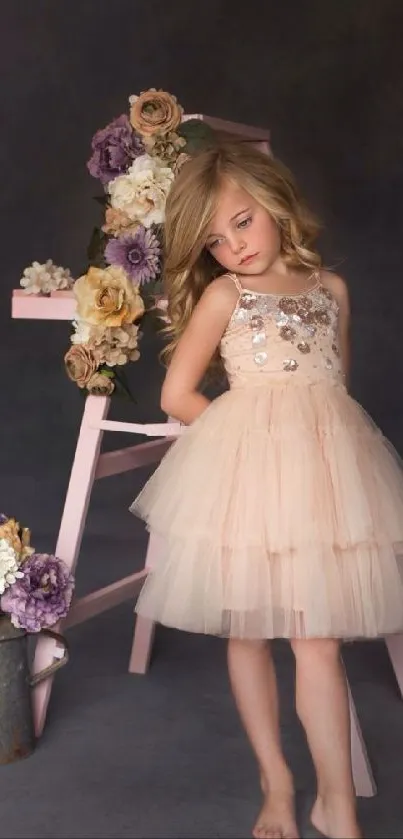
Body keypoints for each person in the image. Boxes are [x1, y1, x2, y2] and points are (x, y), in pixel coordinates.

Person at [130, 141, 403, 839]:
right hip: (248, 479)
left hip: (322, 481)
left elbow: (331, 392)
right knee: (248, 630)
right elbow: (177, 393)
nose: (234, 247)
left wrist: (309, 450)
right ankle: (275, 780)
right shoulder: (226, 295)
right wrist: (244, 438)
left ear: (276, 203)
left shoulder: (329, 290)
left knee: (317, 641)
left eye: (242, 222)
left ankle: (335, 802)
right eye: (216, 241)